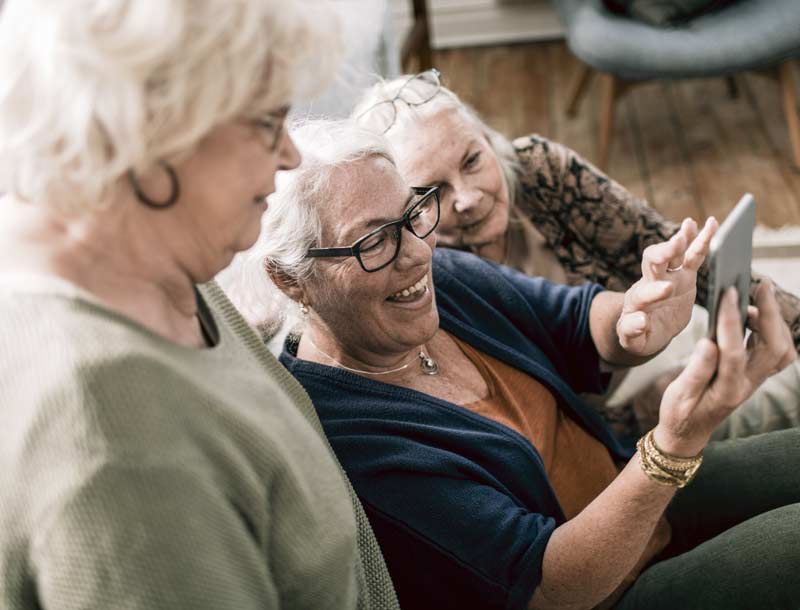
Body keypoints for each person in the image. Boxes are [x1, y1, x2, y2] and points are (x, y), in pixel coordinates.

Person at [221, 118, 798, 610]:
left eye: (412, 215)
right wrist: (674, 444)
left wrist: (637, 315)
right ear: (292, 279)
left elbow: (576, 321)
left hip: (628, 486)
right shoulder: (351, 443)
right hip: (602, 590)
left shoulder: (439, 277)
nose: (419, 251)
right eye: (374, 243)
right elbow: (553, 585)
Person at [0, 3, 398, 609]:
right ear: (155, 129)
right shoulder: (114, 431)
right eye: (268, 122)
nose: (290, 155)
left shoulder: (154, 248)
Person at [351, 69, 800, 440]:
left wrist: (792, 322)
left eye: (472, 161)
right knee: (780, 396)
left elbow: (670, 252)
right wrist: (654, 407)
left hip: (646, 339)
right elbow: (539, 434)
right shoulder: (414, 282)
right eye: (432, 192)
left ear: (490, 142)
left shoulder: (539, 171)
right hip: (602, 425)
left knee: (771, 342)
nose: (467, 198)